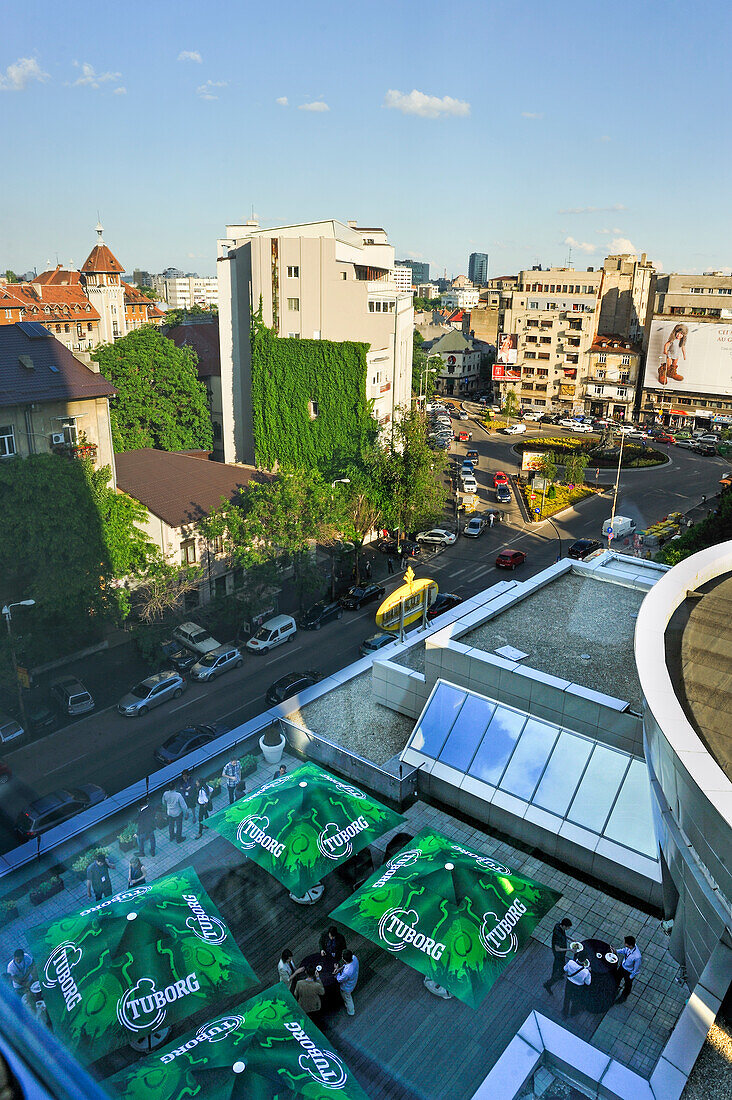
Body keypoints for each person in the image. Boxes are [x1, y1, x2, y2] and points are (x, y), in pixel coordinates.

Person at [543, 917, 573, 995]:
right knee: (557, 968)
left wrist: (571, 939)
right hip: (558, 954)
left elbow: (563, 936)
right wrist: (569, 949)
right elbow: (557, 949)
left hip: (561, 955)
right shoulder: (557, 934)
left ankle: (559, 974)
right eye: (568, 927)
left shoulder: (559, 926)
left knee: (561, 966)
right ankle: (548, 984)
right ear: (564, 926)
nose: (568, 929)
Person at [615, 936, 642, 1001]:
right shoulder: (630, 947)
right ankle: (615, 989)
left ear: (629, 945)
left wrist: (631, 976)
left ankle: (623, 997)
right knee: (617, 978)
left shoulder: (637, 956)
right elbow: (624, 950)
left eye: (625, 943)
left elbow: (636, 968)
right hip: (623, 967)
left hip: (629, 972)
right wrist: (616, 951)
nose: (624, 943)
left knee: (627, 986)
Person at [335, 948, 359, 1016]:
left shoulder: (347, 972)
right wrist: (340, 969)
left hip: (346, 988)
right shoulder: (354, 958)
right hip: (353, 980)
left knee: (348, 999)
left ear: (344, 959)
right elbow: (345, 965)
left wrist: (337, 972)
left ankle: (351, 1011)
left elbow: (339, 979)